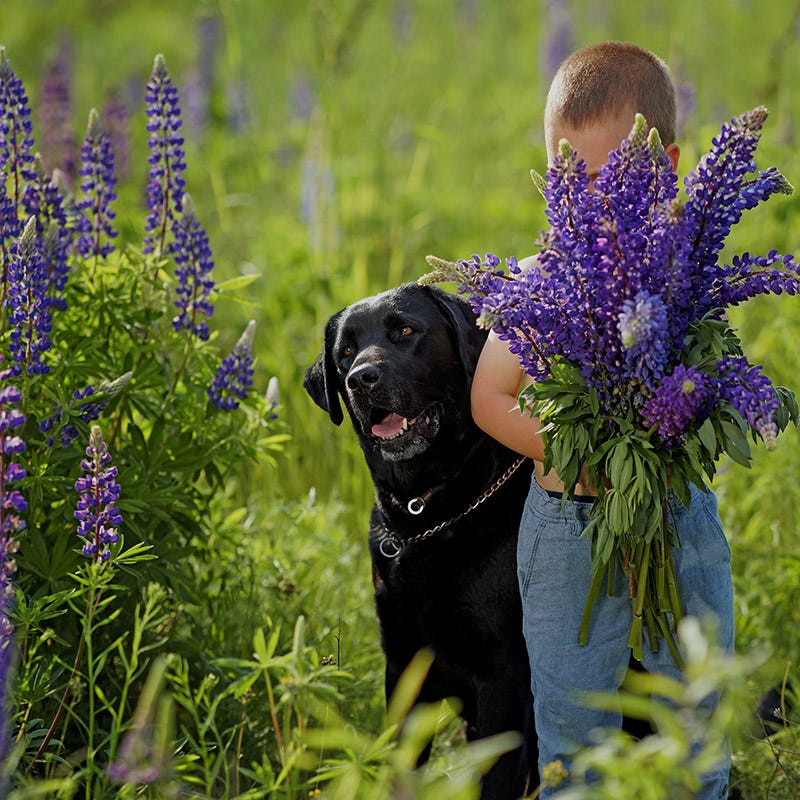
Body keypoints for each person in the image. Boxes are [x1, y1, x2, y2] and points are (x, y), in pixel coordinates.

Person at [470, 41, 734, 799]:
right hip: (568, 527)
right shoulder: (540, 281)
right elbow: (490, 397)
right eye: (570, 180)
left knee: (697, 702)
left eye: (612, 178)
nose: (592, 204)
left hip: (673, 515)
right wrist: (571, 456)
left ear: (667, 166)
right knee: (574, 717)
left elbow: (713, 379)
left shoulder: (687, 276)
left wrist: (684, 414)